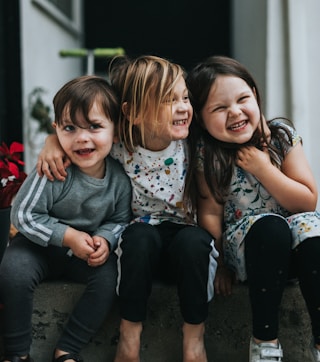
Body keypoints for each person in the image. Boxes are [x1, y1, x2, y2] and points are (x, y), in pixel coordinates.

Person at [36, 55, 220, 362]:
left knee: (195, 242)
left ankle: (194, 341)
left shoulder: (193, 143)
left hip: (187, 251)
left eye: (184, 97)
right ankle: (129, 340)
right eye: (168, 100)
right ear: (132, 113)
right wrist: (52, 140)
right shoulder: (122, 146)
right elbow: (84, 132)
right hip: (139, 253)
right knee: (139, 236)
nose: (183, 108)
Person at [185, 55, 320, 362]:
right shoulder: (208, 154)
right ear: (201, 119)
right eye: (219, 108)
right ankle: (265, 342)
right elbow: (209, 214)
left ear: (256, 97)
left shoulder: (282, 136)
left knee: (314, 228)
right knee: (270, 227)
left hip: (297, 251)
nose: (235, 112)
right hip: (251, 253)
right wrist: (218, 265)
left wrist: (264, 169)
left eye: (243, 99)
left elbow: (307, 200)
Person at [0, 75, 132, 362]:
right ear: (56, 129)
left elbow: (122, 220)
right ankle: (17, 353)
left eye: (95, 127)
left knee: (109, 277)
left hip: (85, 255)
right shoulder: (53, 169)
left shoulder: (119, 180)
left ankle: (67, 350)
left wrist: (106, 239)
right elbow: (23, 214)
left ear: (116, 132)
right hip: (37, 248)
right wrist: (67, 236)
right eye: (70, 128)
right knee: (13, 270)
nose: (82, 137)